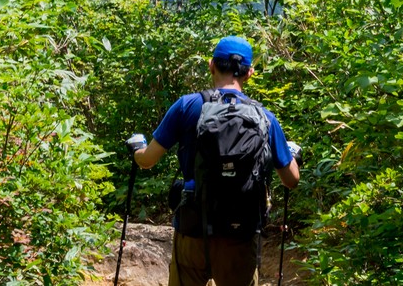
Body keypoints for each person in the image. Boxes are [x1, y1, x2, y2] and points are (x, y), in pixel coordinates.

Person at [126, 36, 300, 286]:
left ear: (211, 65)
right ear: (249, 73)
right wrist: (293, 156)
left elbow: (147, 160)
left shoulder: (186, 106)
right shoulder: (264, 117)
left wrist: (137, 148)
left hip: (192, 228)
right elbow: (291, 180)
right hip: (240, 233)